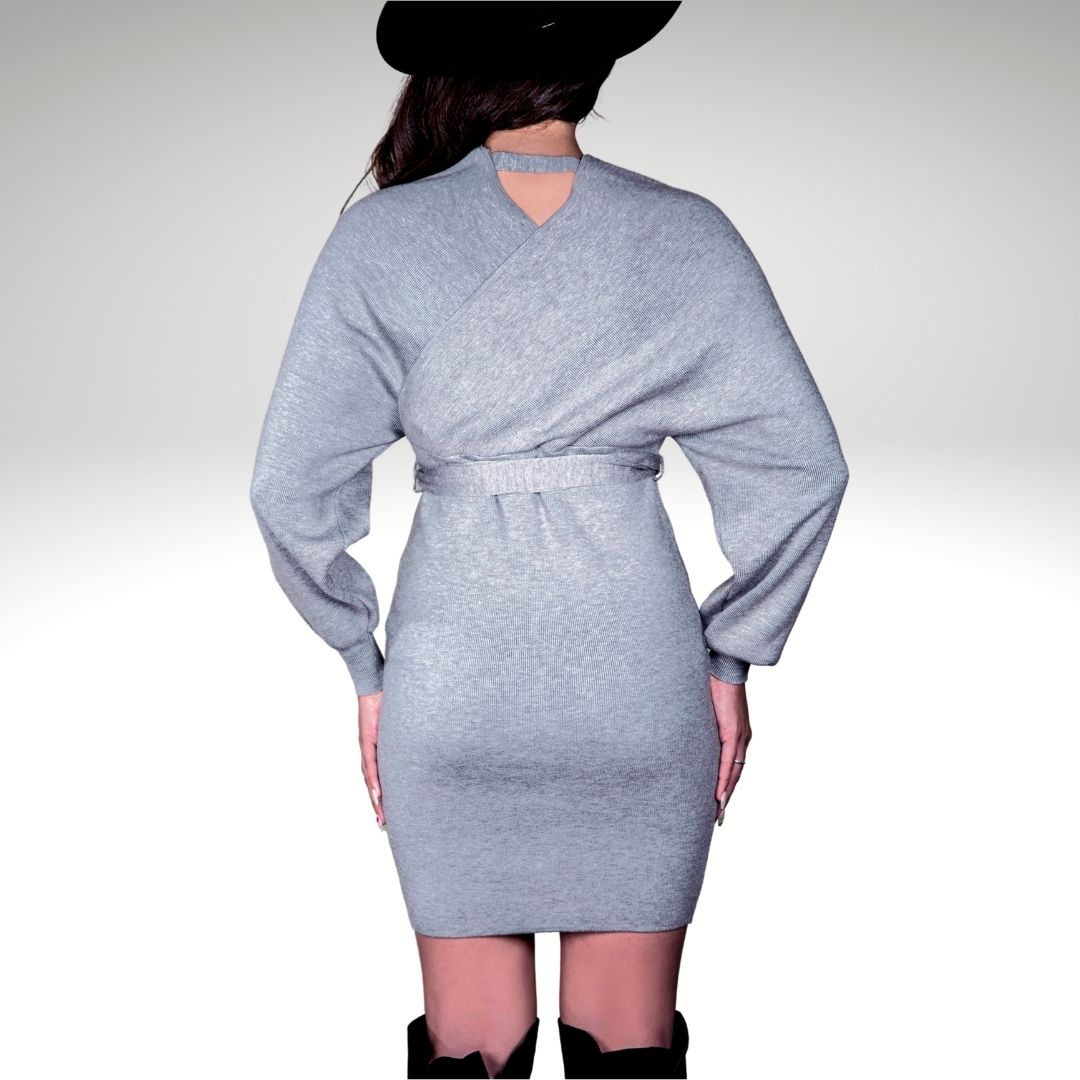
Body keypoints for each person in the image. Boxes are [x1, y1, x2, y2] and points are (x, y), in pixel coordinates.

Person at [248, 3, 849, 1076]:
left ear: (450, 69)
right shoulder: (684, 232)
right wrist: (731, 655)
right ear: (596, 61)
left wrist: (365, 666)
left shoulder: (382, 238)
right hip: (636, 684)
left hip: (453, 684)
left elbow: (288, 487)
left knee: (469, 1050)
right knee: (629, 1046)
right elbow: (804, 466)